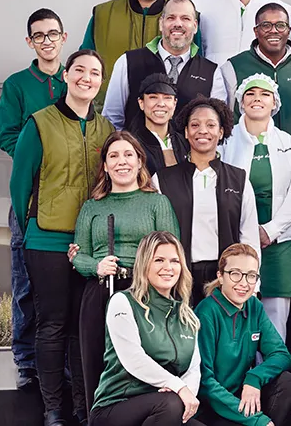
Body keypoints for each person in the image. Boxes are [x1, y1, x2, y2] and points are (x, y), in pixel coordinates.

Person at [10, 49, 116, 426]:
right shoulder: (40, 123)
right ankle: (53, 407)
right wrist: (31, 230)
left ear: (101, 83)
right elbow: (20, 183)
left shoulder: (105, 129)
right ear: (67, 75)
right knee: (52, 323)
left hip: (90, 244)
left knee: (81, 327)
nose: (87, 78)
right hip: (48, 241)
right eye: (80, 71)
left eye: (95, 73)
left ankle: (81, 405)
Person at [68, 131, 181, 415]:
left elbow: (171, 251)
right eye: (114, 156)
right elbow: (78, 254)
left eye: (129, 155)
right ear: (105, 165)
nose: (122, 162)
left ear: (140, 162)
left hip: (144, 293)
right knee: (97, 360)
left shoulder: (157, 203)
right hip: (101, 290)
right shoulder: (92, 207)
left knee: (143, 362)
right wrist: (94, 265)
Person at [0, 7, 68, 390]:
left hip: (71, 200)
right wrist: (44, 155)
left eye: (52, 33)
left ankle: (66, 362)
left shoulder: (75, 79)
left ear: (64, 37)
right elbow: (7, 136)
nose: (46, 41)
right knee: (26, 283)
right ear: (30, 42)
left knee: (66, 284)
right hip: (31, 197)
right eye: (38, 35)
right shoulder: (17, 85)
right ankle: (26, 362)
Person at [220, 74, 291, 340]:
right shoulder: (226, 141)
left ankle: (274, 377)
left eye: (264, 94)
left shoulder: (288, 144)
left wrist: (270, 231)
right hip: (236, 243)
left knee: (275, 321)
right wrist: (244, 234)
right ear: (240, 103)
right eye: (250, 94)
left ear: (274, 103)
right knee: (236, 315)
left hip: (278, 244)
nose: (257, 99)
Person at [152, 97, 260, 304]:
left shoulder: (238, 179)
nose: (202, 130)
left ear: (221, 132)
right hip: (177, 276)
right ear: (185, 132)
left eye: (211, 125)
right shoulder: (163, 179)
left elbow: (249, 237)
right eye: (195, 125)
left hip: (225, 278)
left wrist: (250, 284)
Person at [90, 231, 204, 426]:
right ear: (145, 264)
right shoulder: (123, 302)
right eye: (159, 260)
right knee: (170, 404)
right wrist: (178, 387)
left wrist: (187, 394)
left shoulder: (187, 316)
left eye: (175, 261)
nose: (168, 267)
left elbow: (193, 369)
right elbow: (133, 359)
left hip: (165, 408)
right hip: (116, 407)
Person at [195, 243, 291, 426]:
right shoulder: (206, 312)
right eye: (235, 274)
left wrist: (254, 378)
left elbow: (281, 354)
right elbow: (205, 382)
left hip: (243, 396)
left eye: (251, 276)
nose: (244, 283)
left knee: (286, 383)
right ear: (220, 276)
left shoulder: (254, 306)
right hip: (213, 407)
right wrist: (258, 420)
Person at [81, 0, 193, 111]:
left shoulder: (181, 20)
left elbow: (196, 66)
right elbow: (84, 63)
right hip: (109, 119)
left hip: (167, 120)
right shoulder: (103, 15)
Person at [213, 3, 291, 155]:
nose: (273, 31)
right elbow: (222, 118)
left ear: (288, 31)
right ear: (256, 31)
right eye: (266, 25)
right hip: (246, 159)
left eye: (280, 25)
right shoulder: (233, 67)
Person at [102, 0, 221, 131]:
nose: (178, 24)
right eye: (171, 18)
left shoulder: (211, 72)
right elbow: (112, 119)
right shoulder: (128, 62)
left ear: (195, 26)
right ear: (161, 23)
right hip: (138, 151)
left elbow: (215, 128)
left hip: (188, 152)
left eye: (185, 18)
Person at [127, 74, 191, 176]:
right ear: (141, 103)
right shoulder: (130, 144)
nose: (161, 103)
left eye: (167, 98)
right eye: (153, 97)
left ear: (175, 104)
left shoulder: (186, 142)